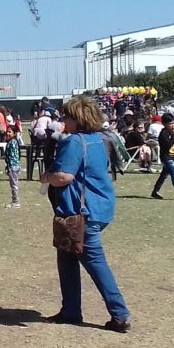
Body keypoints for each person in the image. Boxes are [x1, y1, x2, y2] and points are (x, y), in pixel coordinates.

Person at [40, 95, 131, 333]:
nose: (63, 120)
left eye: (66, 116)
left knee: (94, 261)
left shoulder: (74, 142)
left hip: (82, 213)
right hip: (99, 207)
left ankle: (119, 313)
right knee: (67, 256)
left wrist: (46, 177)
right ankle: (70, 311)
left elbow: (64, 177)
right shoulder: (101, 139)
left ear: (77, 118)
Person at [4, 125, 21, 208]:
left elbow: (12, 156)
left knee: (14, 185)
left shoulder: (13, 142)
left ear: (14, 133)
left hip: (13, 166)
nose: (7, 133)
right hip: (12, 166)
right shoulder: (10, 142)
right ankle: (14, 200)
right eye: (7, 131)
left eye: (10, 132)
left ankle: (16, 202)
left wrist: (9, 167)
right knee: (13, 184)